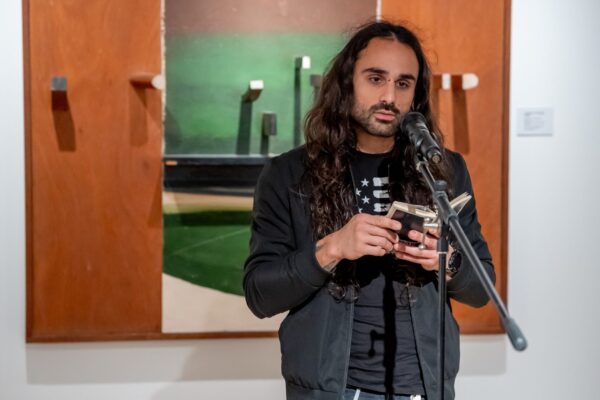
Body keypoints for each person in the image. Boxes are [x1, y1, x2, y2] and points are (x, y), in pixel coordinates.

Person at [243, 21, 495, 400]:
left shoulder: (445, 169)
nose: (389, 97)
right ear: (347, 83)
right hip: (332, 390)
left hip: (424, 389)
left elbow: (481, 291)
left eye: (403, 83)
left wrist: (446, 260)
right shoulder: (289, 174)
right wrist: (332, 249)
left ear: (416, 96)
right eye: (376, 79)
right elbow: (260, 295)